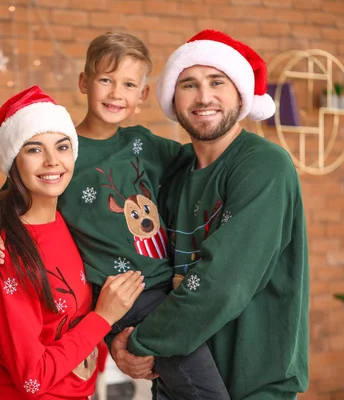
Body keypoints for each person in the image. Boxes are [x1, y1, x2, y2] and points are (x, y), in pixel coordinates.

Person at [0, 33, 231, 399]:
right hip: (127, 297)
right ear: (84, 83)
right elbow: (1, 202)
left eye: (128, 84)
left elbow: (203, 163)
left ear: (142, 95)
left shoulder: (146, 144)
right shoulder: (63, 155)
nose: (115, 93)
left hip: (169, 288)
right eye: (106, 80)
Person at [116, 29, 309, 399]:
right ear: (174, 97)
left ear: (240, 92)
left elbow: (222, 284)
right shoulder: (173, 171)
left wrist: (138, 342)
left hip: (255, 384)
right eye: (188, 84)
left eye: (217, 81)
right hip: (178, 378)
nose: (204, 97)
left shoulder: (264, 165)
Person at [0, 85, 145, 399]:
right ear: (14, 162)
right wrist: (103, 317)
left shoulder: (69, 219)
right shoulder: (2, 253)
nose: (52, 161)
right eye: (34, 149)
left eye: (62, 147)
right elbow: (31, 378)